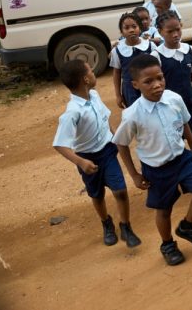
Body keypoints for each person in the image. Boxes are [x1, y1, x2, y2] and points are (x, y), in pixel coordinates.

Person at [113, 54, 192, 266]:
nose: (157, 85)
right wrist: (134, 174)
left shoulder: (174, 99)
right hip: (156, 168)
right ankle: (167, 244)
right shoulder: (133, 115)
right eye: (148, 81)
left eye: (160, 78)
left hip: (182, 158)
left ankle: (187, 226)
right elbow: (121, 143)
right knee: (164, 209)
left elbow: (185, 125)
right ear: (135, 85)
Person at [53, 59, 141, 248]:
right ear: (85, 79)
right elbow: (60, 145)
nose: (94, 74)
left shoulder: (94, 95)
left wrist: (115, 138)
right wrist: (81, 162)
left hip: (108, 151)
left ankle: (126, 226)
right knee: (97, 194)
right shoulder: (72, 112)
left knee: (120, 190)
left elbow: (104, 119)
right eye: (91, 71)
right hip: (88, 158)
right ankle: (106, 224)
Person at [152, 10, 192, 155]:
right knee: (174, 141)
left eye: (178, 29)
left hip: (190, 102)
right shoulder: (157, 55)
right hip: (169, 107)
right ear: (160, 32)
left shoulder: (189, 50)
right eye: (169, 31)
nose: (175, 34)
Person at [110, 12, 156, 109]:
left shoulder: (150, 46)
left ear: (139, 28)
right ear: (121, 32)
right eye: (126, 28)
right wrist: (118, 95)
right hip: (130, 91)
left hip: (150, 87)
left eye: (134, 26)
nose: (131, 30)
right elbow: (117, 73)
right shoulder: (117, 50)